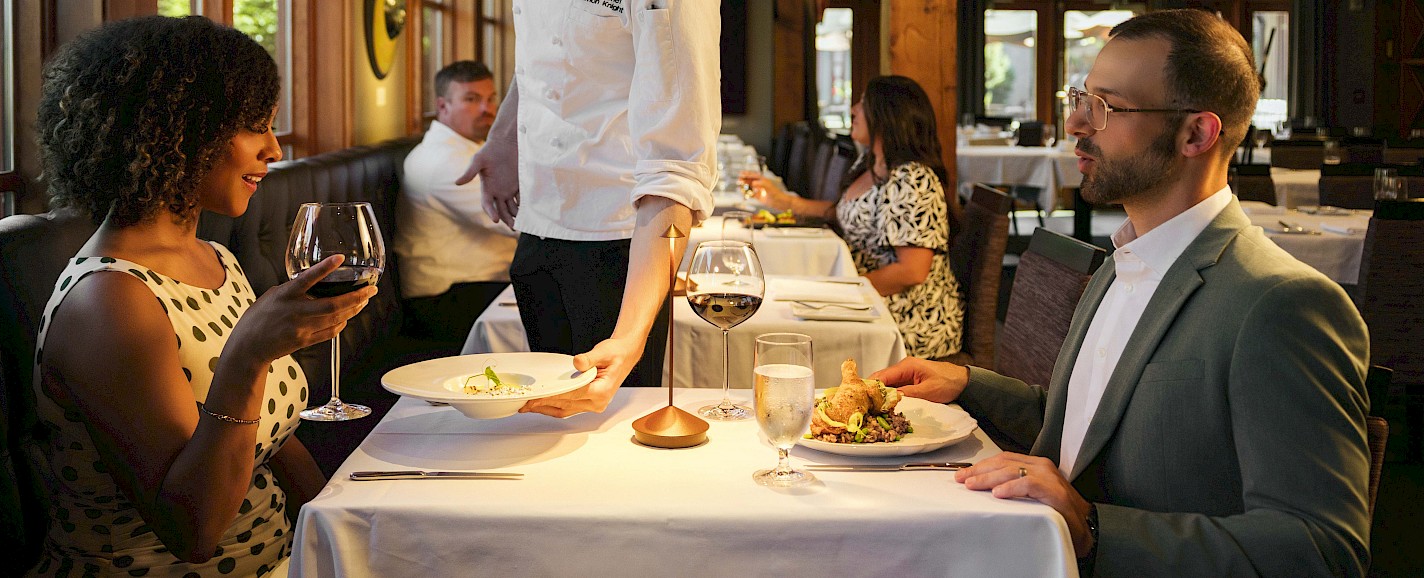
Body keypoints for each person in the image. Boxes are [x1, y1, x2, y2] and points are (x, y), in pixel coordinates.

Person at [870, 10, 1371, 577]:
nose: (1076, 123)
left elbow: (1322, 550)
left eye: (1105, 107)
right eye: (1081, 99)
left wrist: (1093, 528)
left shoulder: (1282, 305)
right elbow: (1087, 429)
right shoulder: (1122, 261)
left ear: (1196, 134)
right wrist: (968, 383)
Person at [30, 16, 374, 576]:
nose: (274, 149)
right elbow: (192, 532)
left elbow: (276, 440)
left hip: (282, 560)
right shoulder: (110, 301)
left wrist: (347, 535)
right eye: (255, 127)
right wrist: (248, 355)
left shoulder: (216, 259)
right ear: (176, 130)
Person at [456, 0, 720, 416]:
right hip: (537, 229)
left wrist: (629, 337)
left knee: (615, 429)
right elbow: (545, 56)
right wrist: (504, 137)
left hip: (621, 246)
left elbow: (675, 168)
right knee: (545, 423)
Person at [741, 76, 964, 359]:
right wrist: (783, 202)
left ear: (887, 114)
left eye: (863, 103)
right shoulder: (871, 163)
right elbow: (843, 212)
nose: (853, 110)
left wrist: (840, 290)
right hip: (865, 298)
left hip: (908, 318)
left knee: (783, 327)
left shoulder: (912, 178)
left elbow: (912, 271)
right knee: (780, 308)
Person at [396, 60, 515, 344]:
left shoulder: (468, 148)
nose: (487, 109)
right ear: (443, 106)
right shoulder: (443, 162)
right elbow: (514, 221)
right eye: (471, 100)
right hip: (446, 298)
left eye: (491, 98)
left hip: (480, 284)